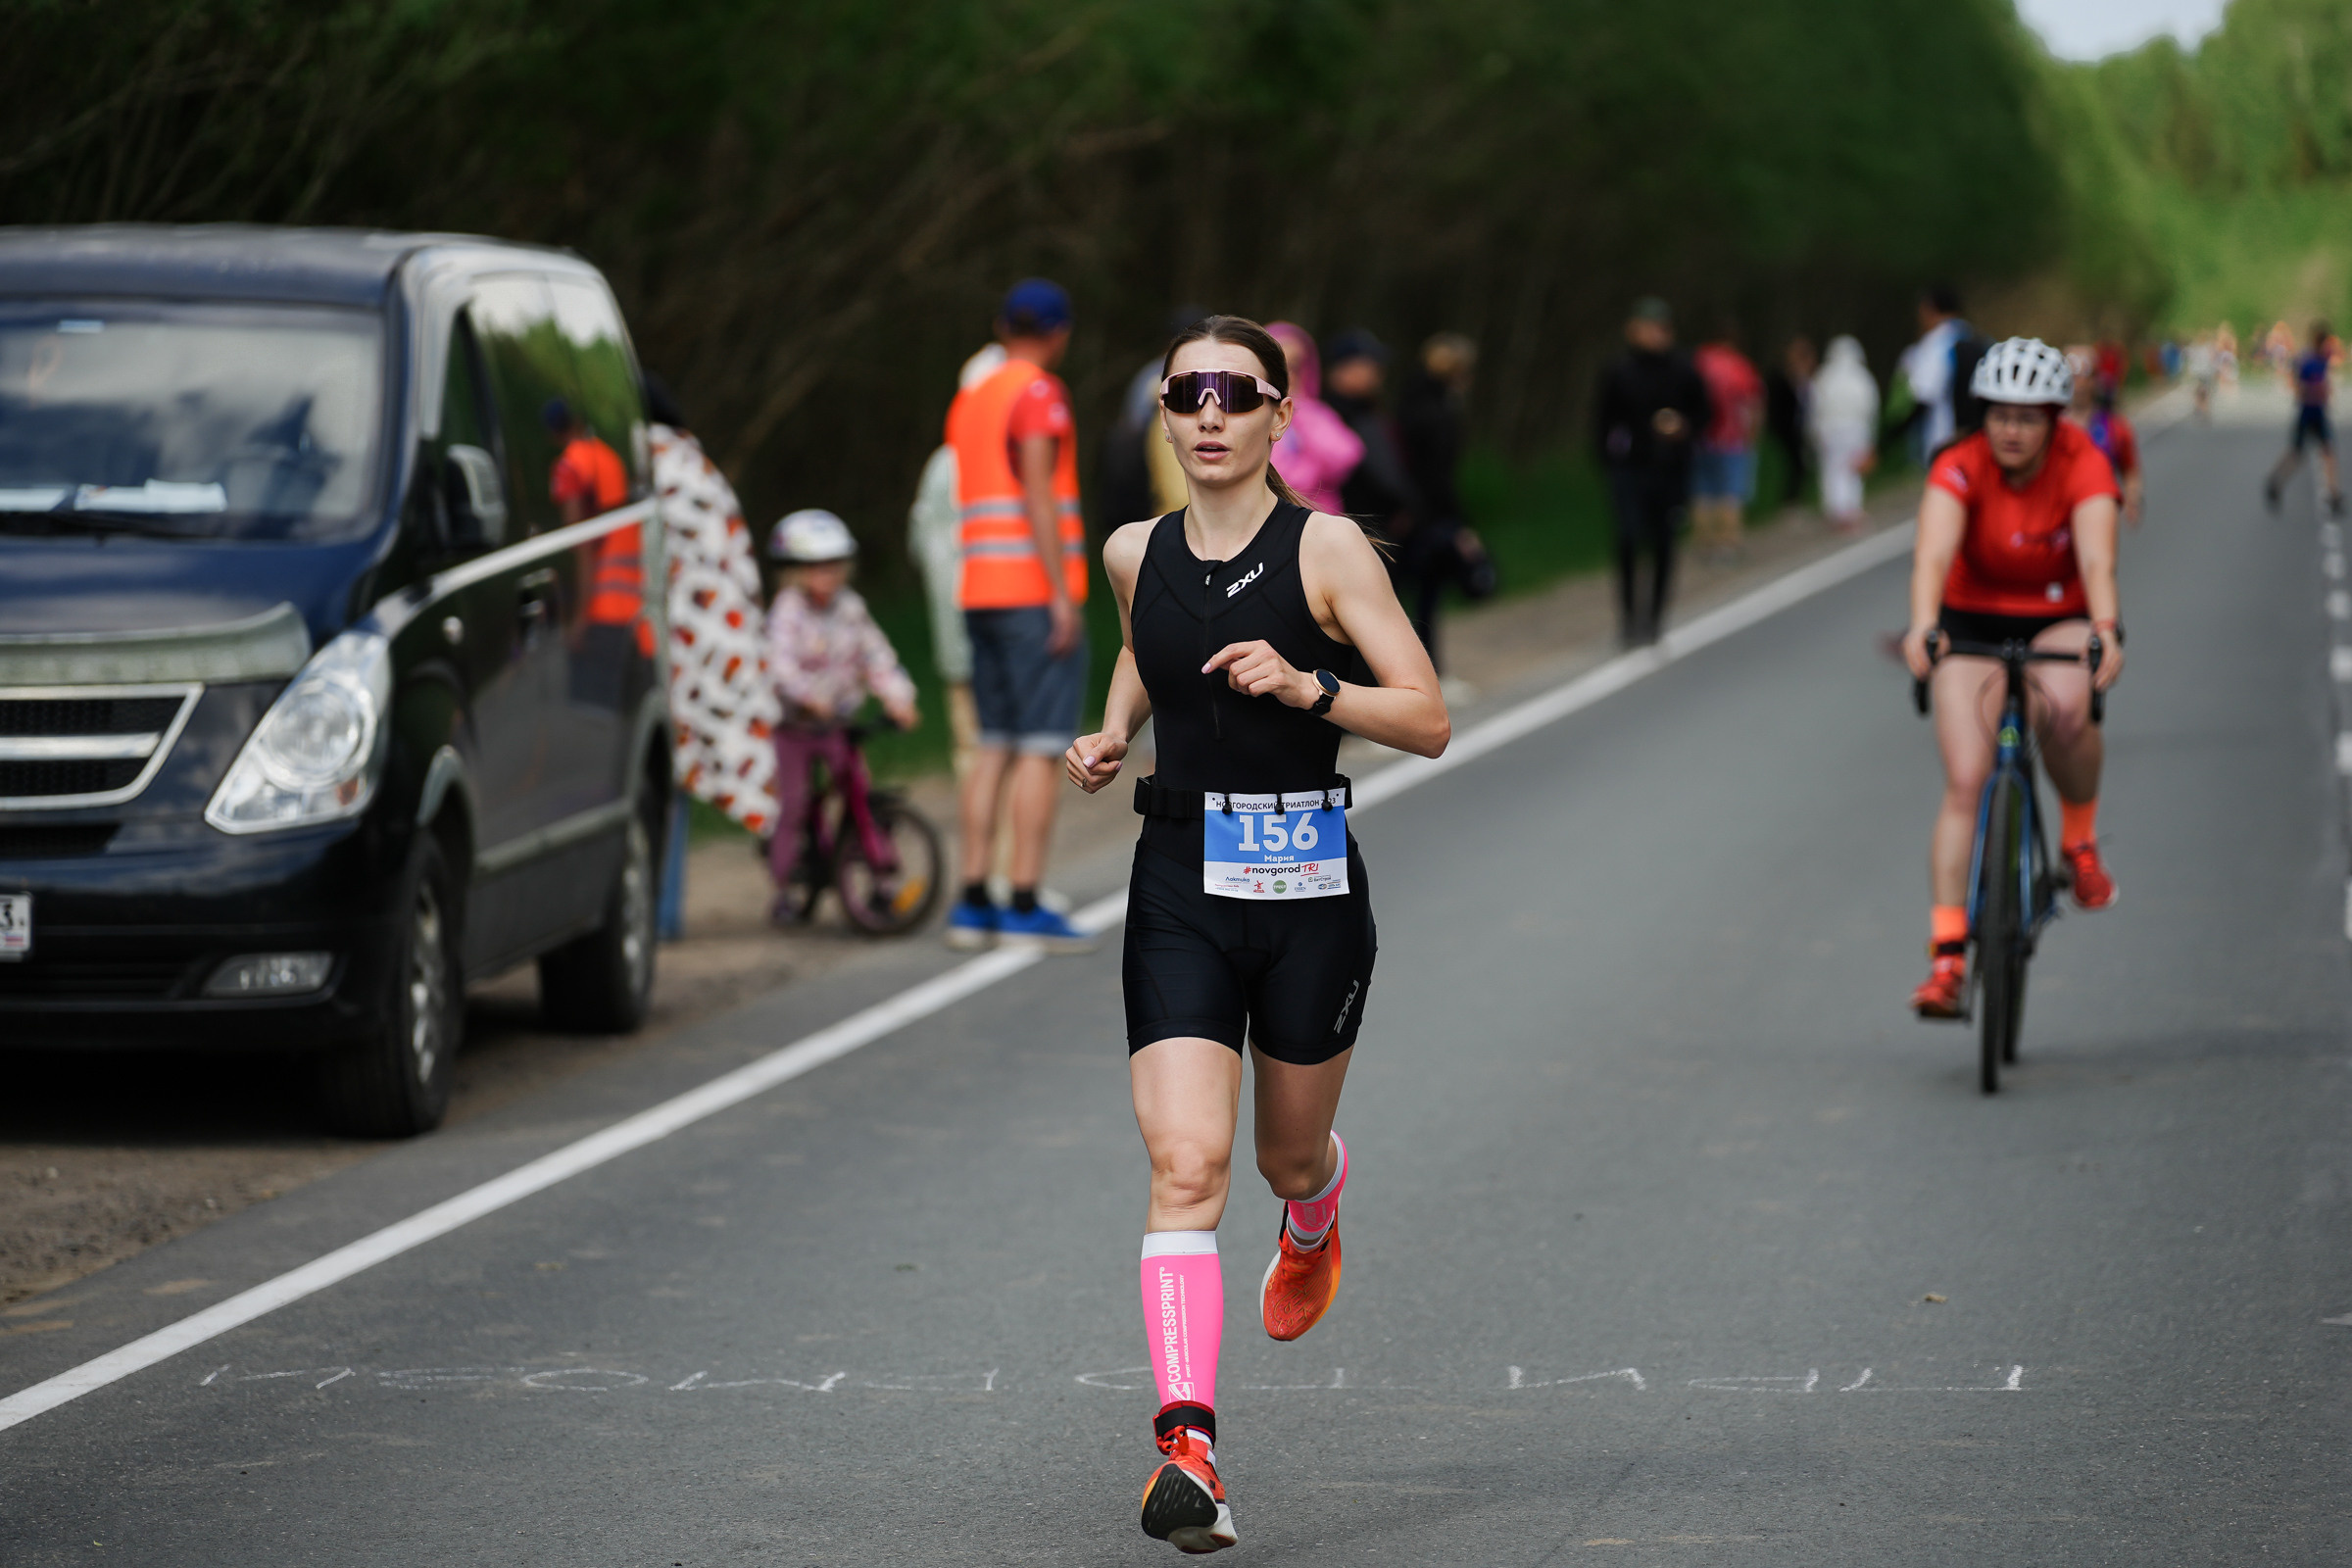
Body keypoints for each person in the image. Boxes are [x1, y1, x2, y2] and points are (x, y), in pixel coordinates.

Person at [1065, 314, 1448, 1555]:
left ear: (1283, 415)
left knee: (1282, 1161)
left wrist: (1309, 686)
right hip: (1177, 876)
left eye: (1238, 392)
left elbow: (1430, 717)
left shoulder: (1327, 550)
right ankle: (1187, 1447)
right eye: (1189, 393)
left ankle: (1318, 1206)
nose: (1211, 413)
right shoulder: (1133, 548)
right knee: (1185, 1164)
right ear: (1164, 417)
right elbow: (1145, 646)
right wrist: (1117, 726)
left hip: (1308, 889)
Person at [1900, 339, 2123, 1019]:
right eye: (1999, 415)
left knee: (2065, 709)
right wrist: (1922, 624)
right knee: (1967, 779)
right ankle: (1946, 962)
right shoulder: (1958, 463)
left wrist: (2107, 630)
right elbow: (1933, 554)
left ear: (2054, 419)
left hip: (2058, 612)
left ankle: (2078, 840)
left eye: (2028, 417)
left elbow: (2096, 560)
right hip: (1970, 619)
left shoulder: (2083, 462)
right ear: (1982, 416)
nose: (2012, 430)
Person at [944, 279, 1096, 952]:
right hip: (1032, 592)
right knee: (1039, 746)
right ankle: (1026, 898)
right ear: (1059, 333)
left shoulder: (973, 396)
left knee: (993, 743)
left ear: (1003, 325)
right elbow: (1038, 493)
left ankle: (974, 898)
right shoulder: (1038, 393)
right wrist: (1062, 594)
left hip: (978, 588)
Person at [645, 375, 783, 942]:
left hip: (677, 646)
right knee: (673, 772)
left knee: (657, 770)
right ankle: (664, 914)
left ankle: (655, 916)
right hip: (716, 647)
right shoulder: (695, 466)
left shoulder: (645, 464)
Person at [762, 510, 919, 921]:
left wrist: (898, 698)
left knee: (860, 795)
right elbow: (778, 664)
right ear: (794, 571)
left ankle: (883, 880)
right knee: (794, 803)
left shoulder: (850, 608)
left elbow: (877, 656)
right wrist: (808, 697)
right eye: (814, 567)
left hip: (838, 726)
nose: (826, 576)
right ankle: (783, 887)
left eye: (833, 565)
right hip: (795, 727)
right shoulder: (788, 610)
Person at [909, 344, 1008, 779]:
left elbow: (918, 543)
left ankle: (980, 843)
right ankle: (1006, 844)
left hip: (955, 626)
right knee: (1008, 743)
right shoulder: (1002, 461)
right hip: (1002, 624)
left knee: (970, 742)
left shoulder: (940, 464)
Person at [1593, 296, 1709, 645]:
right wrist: (1609, 464)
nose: (1654, 335)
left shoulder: (1684, 369)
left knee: (1664, 543)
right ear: (1633, 331)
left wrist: (1683, 428)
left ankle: (1655, 618)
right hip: (1630, 470)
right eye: (1647, 328)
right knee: (1628, 539)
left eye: (1660, 329)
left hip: (1671, 469)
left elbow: (1704, 414)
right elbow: (1602, 422)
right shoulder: (1619, 370)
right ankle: (1629, 619)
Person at [1395, 330, 1494, 664]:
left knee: (1410, 595)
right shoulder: (1436, 411)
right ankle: (1426, 669)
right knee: (1425, 594)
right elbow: (1438, 474)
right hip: (1427, 515)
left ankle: (1420, 668)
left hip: (1405, 510)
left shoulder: (1409, 400)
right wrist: (1460, 522)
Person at [1264, 321, 1363, 515]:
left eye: (1294, 366)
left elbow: (1346, 456)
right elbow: (1275, 476)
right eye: (1277, 365)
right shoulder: (1250, 414)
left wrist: (1301, 409)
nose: (1286, 375)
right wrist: (1314, 472)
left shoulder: (1315, 411)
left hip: (1323, 521)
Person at [1690, 329, 1765, 560]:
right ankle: (1728, 544)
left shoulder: (1698, 364)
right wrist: (1752, 437)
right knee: (1730, 494)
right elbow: (1753, 406)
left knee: (1702, 494)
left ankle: (1705, 545)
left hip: (1700, 441)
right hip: (1733, 442)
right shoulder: (1740, 368)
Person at [1896, 285, 1984, 464]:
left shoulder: (1936, 344)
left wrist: (1893, 434)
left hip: (1946, 440)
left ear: (1930, 309)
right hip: (1979, 439)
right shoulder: (1976, 338)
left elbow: (1923, 396)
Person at [2265, 320, 2343, 516]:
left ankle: (2333, 494)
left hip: (2318, 412)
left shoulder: (2321, 359)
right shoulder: (2307, 360)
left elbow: (2325, 384)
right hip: (2308, 411)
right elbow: (2297, 385)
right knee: (2297, 453)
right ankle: (2275, 480)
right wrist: (2311, 392)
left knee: (2327, 452)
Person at [1807, 335, 1879, 530]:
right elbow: (1871, 406)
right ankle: (1852, 509)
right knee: (1853, 469)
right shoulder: (1862, 376)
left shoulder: (1824, 376)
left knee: (1832, 469)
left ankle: (1837, 511)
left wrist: (1814, 431)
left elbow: (1815, 407)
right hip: (1856, 428)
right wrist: (1871, 434)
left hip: (1830, 429)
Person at [2067, 349, 2143, 526]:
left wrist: (2133, 501)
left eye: (2084, 376)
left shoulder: (2115, 426)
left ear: (2094, 381)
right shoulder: (2050, 425)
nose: (2078, 385)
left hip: (2098, 513)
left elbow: (2130, 467)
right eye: (2073, 377)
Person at [1764, 335, 1817, 507]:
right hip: (1787, 429)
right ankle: (1790, 501)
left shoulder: (1808, 380)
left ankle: (1796, 499)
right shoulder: (1781, 379)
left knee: (1802, 465)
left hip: (1805, 427)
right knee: (1794, 464)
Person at [2185, 332, 2217, 422]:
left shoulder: (2193, 348)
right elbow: (2213, 360)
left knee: (2198, 392)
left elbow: (2189, 359)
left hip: (2198, 373)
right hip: (2205, 373)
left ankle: (2199, 407)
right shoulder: (2208, 348)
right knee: (2205, 393)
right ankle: (2204, 410)